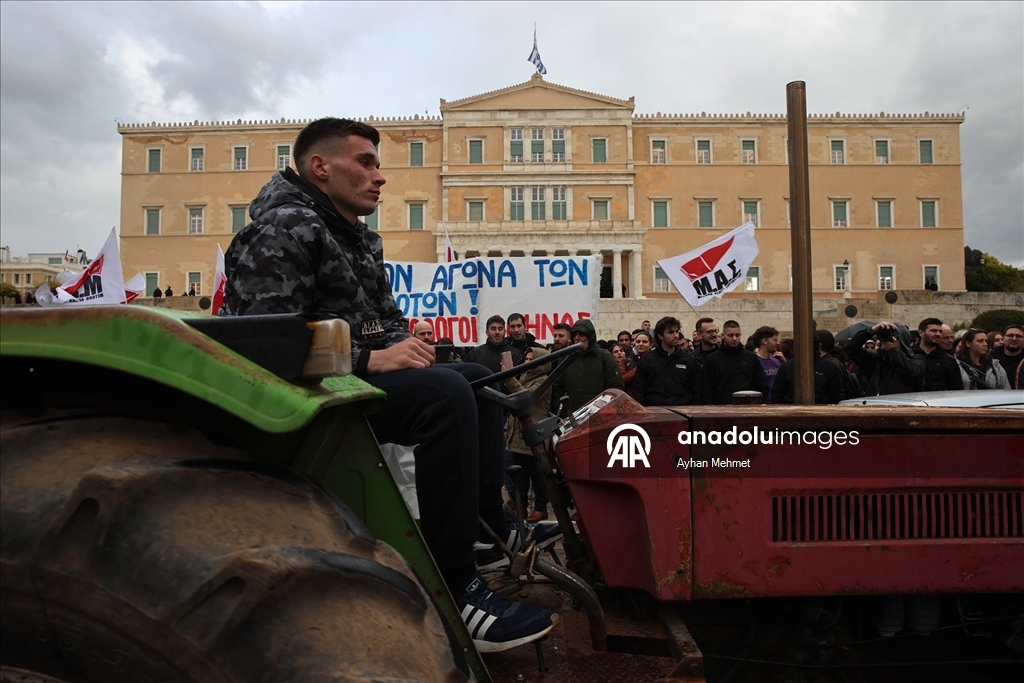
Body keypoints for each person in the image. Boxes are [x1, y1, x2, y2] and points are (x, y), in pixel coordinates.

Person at [221, 117, 557, 651]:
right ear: (320, 166)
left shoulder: (354, 236)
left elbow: (387, 320)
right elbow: (267, 344)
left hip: (348, 384)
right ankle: (456, 584)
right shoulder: (280, 231)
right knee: (447, 397)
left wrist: (412, 352)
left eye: (379, 165)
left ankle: (488, 528)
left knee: (473, 378)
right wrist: (370, 360)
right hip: (306, 396)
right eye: (366, 163)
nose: (380, 177)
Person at [504, 347, 552, 522]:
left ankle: (540, 508)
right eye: (526, 359)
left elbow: (525, 399)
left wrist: (509, 378)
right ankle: (520, 505)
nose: (527, 363)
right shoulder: (524, 377)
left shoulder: (544, 380)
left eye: (532, 360)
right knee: (521, 476)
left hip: (534, 435)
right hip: (519, 435)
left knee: (537, 475)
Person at [552, 318, 624, 415]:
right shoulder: (566, 359)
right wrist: (563, 411)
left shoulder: (604, 357)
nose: (577, 338)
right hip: (572, 417)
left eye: (581, 334)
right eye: (575, 335)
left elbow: (615, 387)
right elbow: (557, 389)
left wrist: (604, 409)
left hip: (598, 416)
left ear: (590, 337)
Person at [632, 316, 702, 406]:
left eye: (677, 331)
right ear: (660, 335)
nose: (676, 335)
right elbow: (639, 389)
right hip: (654, 411)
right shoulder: (647, 359)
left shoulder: (688, 360)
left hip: (683, 410)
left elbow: (696, 389)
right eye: (670, 332)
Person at [843, 321, 926, 395]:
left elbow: (915, 372)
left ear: (903, 340)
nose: (888, 340)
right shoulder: (877, 359)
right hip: (875, 406)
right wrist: (871, 331)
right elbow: (850, 348)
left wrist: (893, 351)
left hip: (901, 407)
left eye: (894, 336)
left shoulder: (916, 358)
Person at [702, 320, 769, 404]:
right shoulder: (712, 359)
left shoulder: (750, 358)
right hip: (721, 409)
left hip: (748, 408)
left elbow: (762, 384)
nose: (734, 339)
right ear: (723, 336)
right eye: (730, 335)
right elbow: (707, 390)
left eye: (737, 335)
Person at [771, 333, 844, 404]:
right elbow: (777, 393)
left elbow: (836, 394)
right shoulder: (786, 366)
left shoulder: (828, 366)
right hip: (793, 411)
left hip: (819, 411)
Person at [915, 318, 963, 391]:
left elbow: (956, 389)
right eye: (933, 331)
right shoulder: (909, 355)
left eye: (940, 331)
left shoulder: (948, 360)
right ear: (921, 333)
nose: (938, 334)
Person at [750, 325, 784, 401]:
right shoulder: (753, 362)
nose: (777, 343)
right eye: (774, 340)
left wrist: (784, 362)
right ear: (764, 341)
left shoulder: (777, 362)